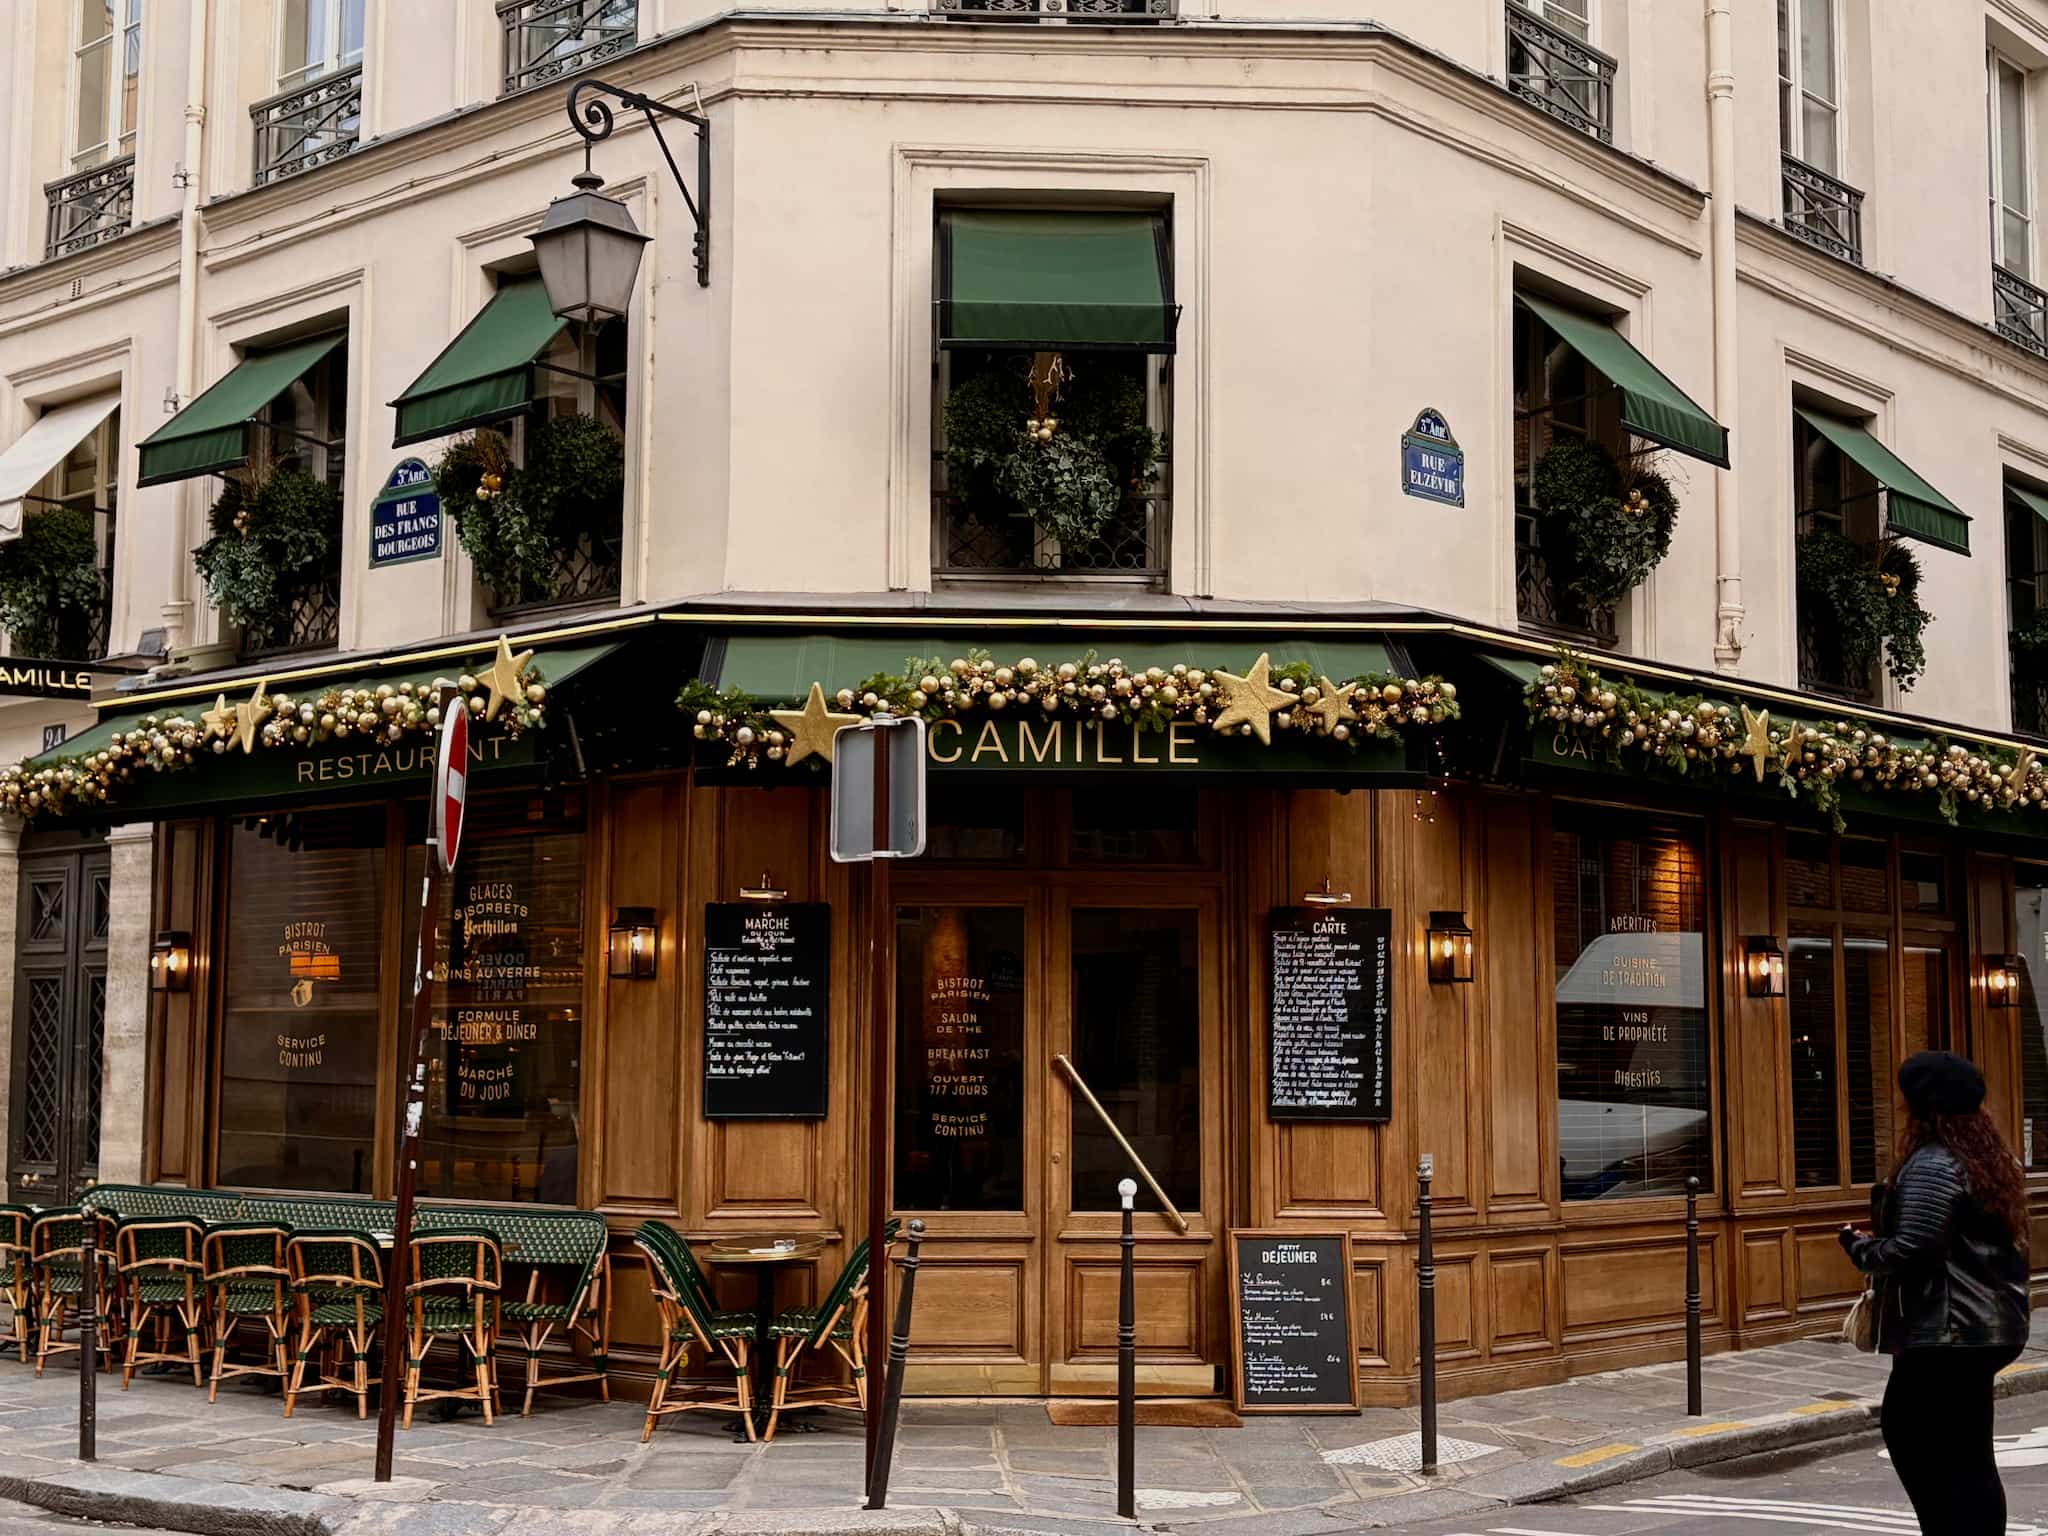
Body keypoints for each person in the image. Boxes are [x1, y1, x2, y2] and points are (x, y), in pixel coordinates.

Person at [1840, 1050, 2031, 1535]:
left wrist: (1861, 1249)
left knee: (1911, 1437)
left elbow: (1916, 1247)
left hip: (1948, 1332)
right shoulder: (1990, 1158)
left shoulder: (1934, 1162)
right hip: (1989, 1328)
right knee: (1968, 1454)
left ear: (1921, 1103)